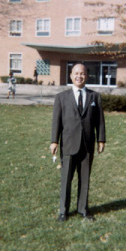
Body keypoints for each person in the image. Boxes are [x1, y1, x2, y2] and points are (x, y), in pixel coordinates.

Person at [50, 64, 106, 222]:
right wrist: (54, 141)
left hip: (87, 145)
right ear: (71, 76)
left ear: (86, 76)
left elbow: (100, 121)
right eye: (76, 73)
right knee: (66, 180)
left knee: (85, 179)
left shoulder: (94, 97)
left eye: (82, 73)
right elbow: (56, 121)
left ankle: (83, 209)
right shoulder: (61, 97)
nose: (79, 76)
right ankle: (63, 211)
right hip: (68, 144)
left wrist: (101, 139)